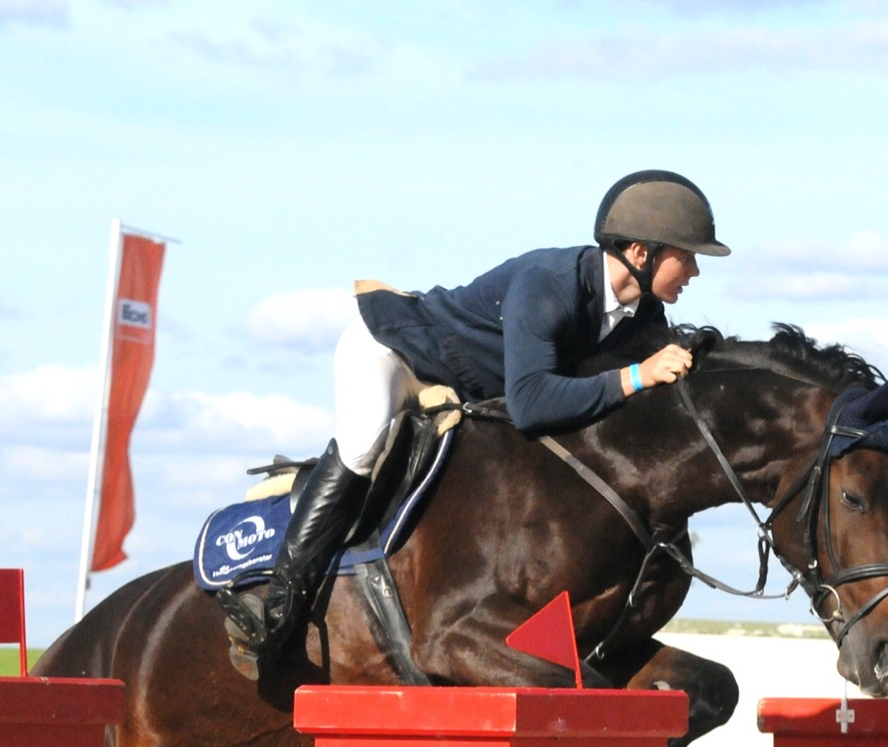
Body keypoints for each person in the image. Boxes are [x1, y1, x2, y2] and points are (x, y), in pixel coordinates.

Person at [222, 170, 730, 668]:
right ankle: (278, 604)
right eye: (686, 257)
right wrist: (635, 376)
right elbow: (531, 403)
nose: (694, 272)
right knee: (363, 447)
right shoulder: (548, 285)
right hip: (398, 356)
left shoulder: (643, 315)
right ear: (640, 253)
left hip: (471, 392)